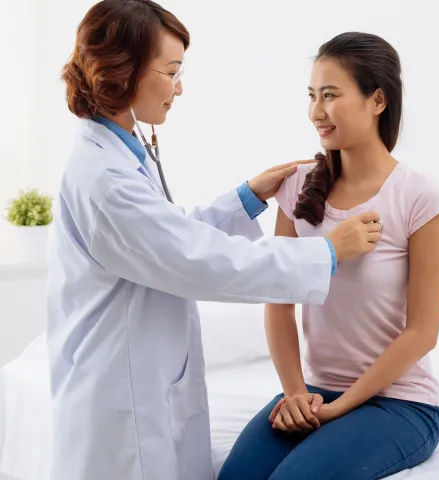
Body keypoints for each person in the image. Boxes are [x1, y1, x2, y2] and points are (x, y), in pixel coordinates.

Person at [45, 3, 382, 480]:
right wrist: (326, 252)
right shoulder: (104, 179)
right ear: (124, 72)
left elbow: (168, 236)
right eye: (172, 71)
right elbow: (201, 262)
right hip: (120, 405)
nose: (179, 87)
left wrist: (246, 198)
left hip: (143, 382)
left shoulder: (118, 154)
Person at [218, 32, 439, 480]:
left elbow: (423, 332)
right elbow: (279, 301)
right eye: (311, 96)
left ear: (377, 101)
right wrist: (293, 394)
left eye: (330, 96)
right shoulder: (298, 185)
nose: (316, 112)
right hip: (310, 391)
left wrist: (340, 407)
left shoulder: (420, 198)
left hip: (400, 403)